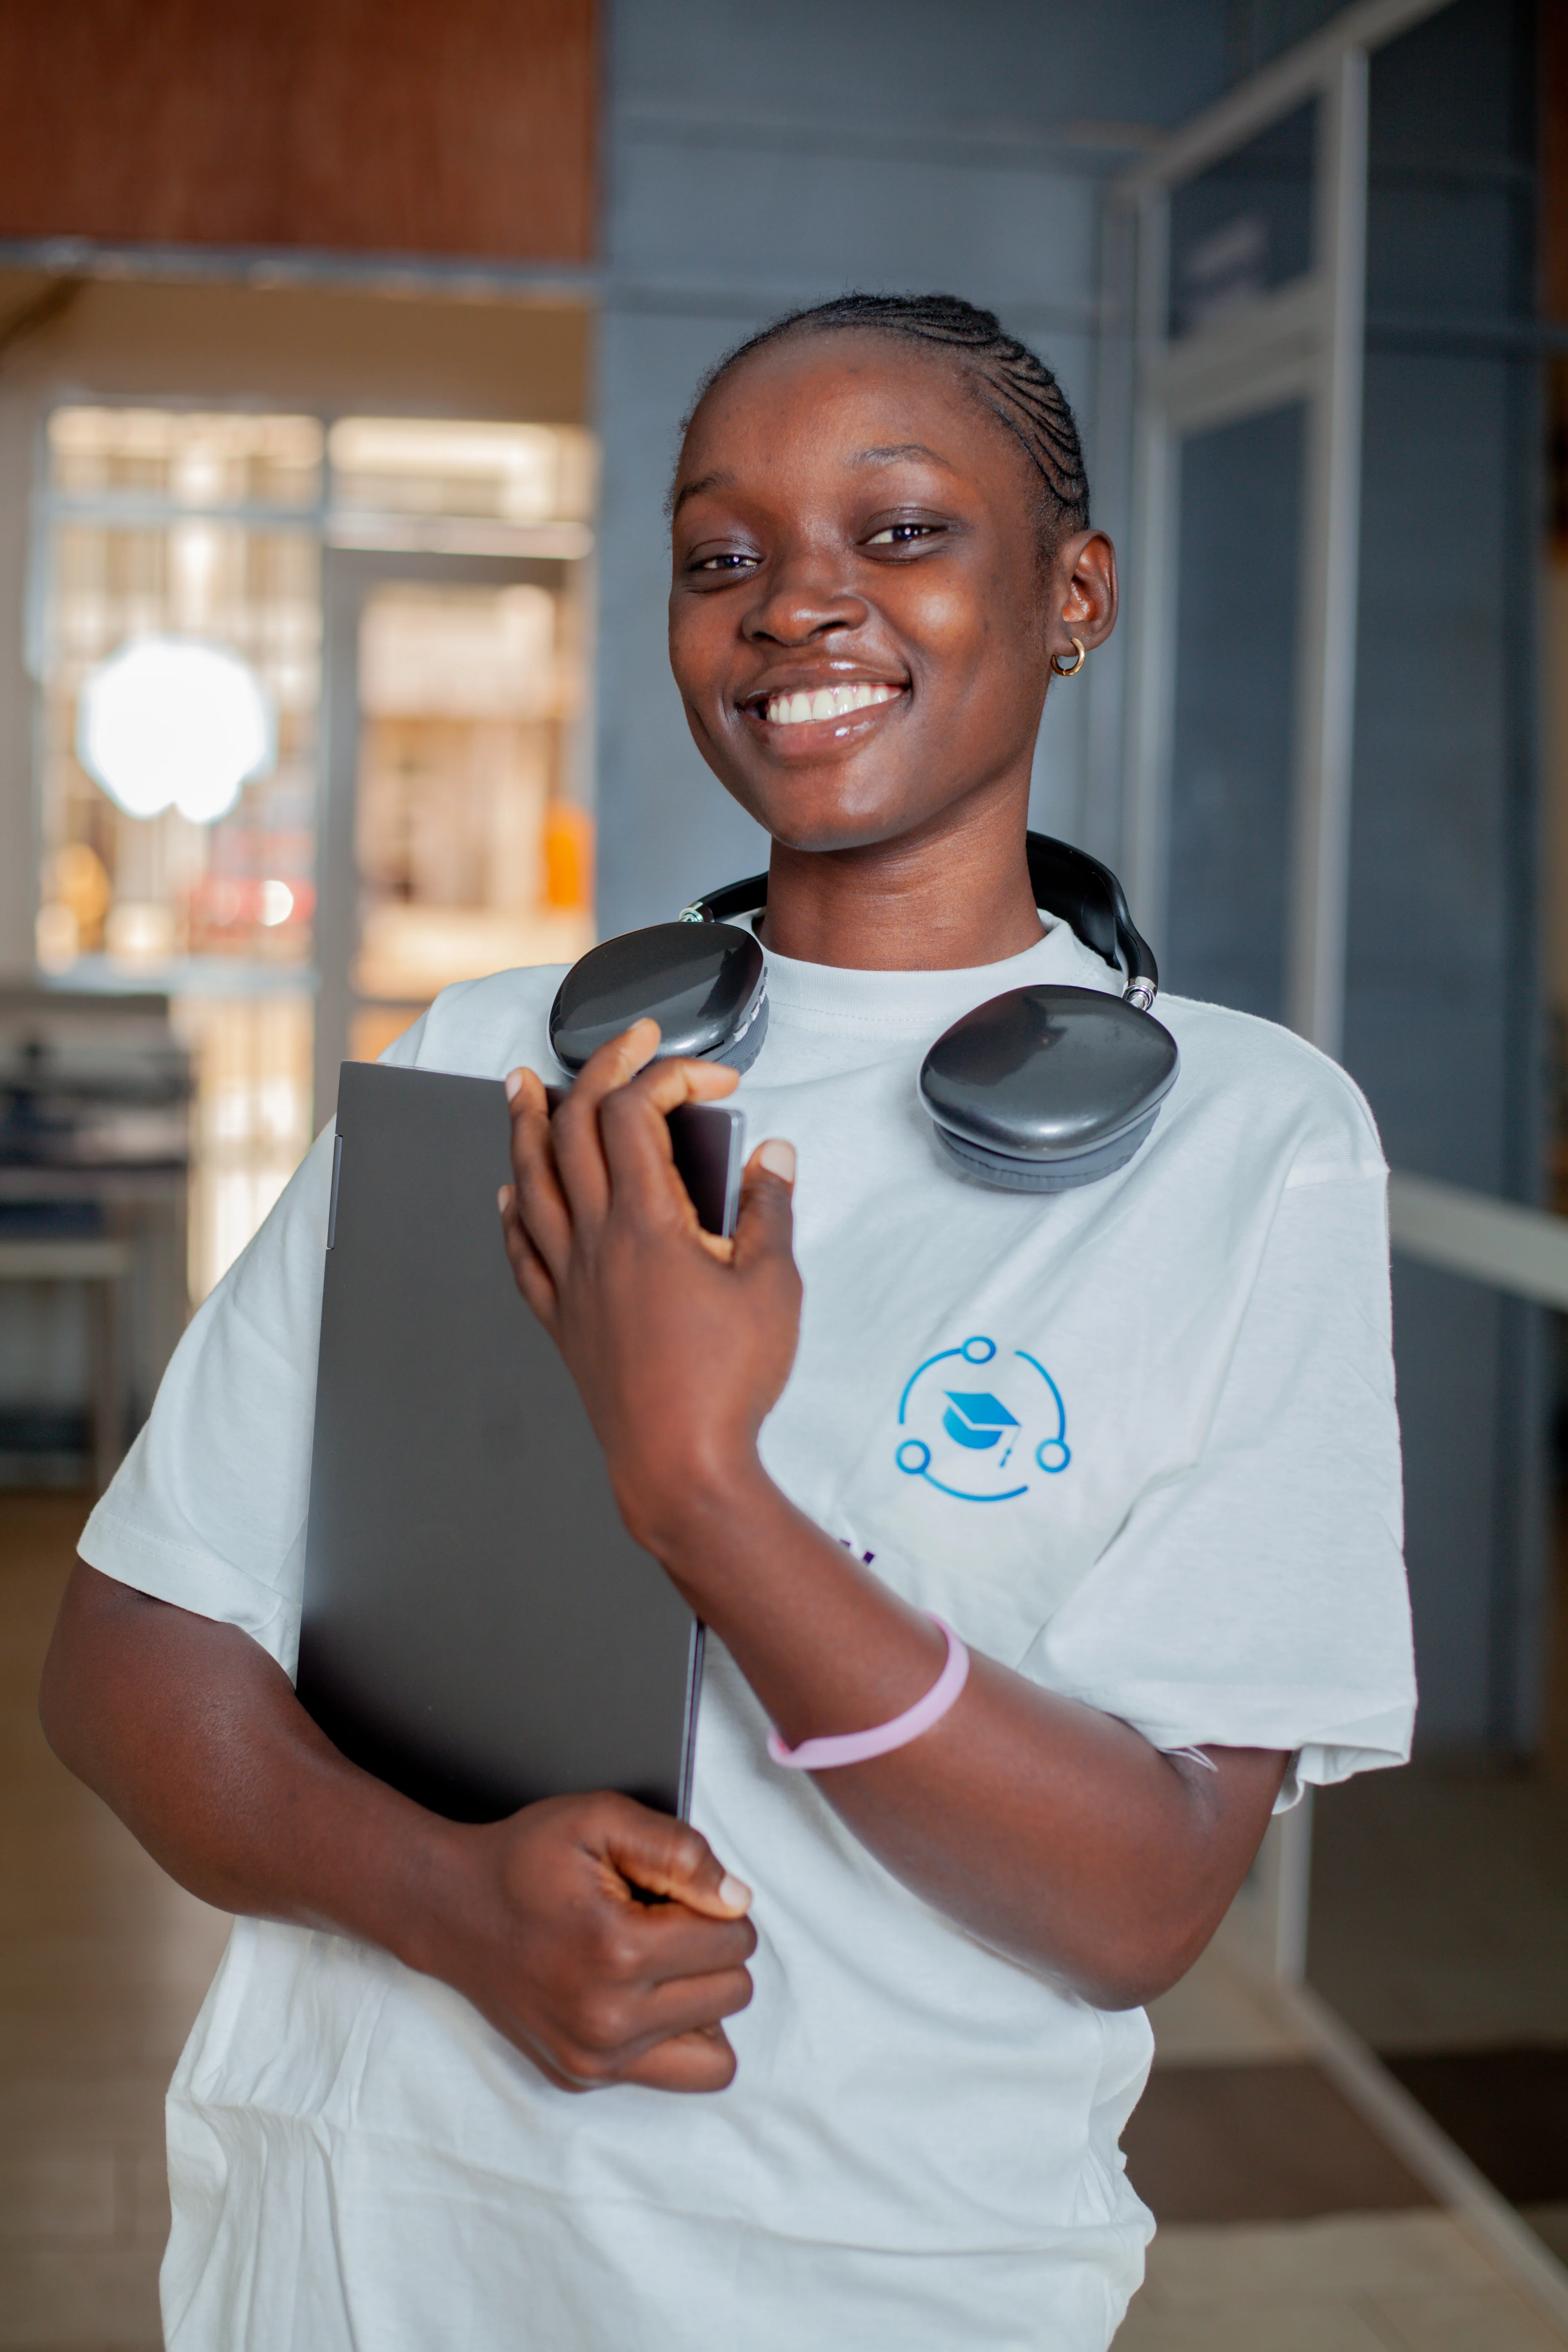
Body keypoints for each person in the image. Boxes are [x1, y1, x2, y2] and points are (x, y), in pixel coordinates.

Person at [40, 292, 1414, 2351]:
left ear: (1076, 593)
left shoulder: (1249, 1145)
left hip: (865, 2280)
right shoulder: (496, 1066)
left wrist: (700, 1487)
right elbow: (127, 1659)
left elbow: (1141, 1898)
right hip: (361, 2245)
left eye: (903, 531)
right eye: (723, 555)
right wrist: (444, 1905)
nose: (796, 605)